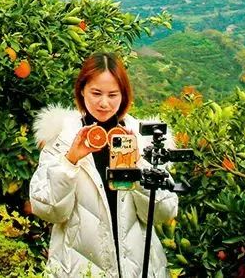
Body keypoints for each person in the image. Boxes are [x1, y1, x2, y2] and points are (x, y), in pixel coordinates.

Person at [29, 52, 178, 278]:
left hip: (138, 268)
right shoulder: (61, 138)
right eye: (96, 93)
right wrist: (69, 162)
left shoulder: (144, 139)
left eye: (113, 94)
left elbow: (163, 213)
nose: (104, 103)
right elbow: (49, 211)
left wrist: (139, 163)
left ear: (124, 95)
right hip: (78, 269)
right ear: (82, 90)